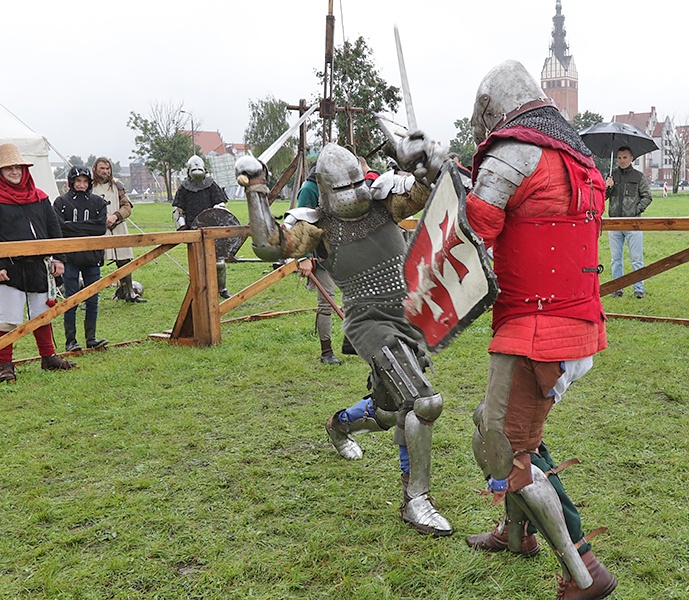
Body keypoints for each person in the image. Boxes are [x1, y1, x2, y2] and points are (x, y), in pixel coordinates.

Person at [417, 59, 616, 599]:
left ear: (492, 110)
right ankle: (516, 533)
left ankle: (584, 571)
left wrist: (434, 172)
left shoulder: (513, 153)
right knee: (506, 424)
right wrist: (446, 170)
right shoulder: (578, 157)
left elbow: (471, 231)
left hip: (534, 330)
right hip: (576, 326)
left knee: (501, 444)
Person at [237, 142, 452, 537]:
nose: (352, 195)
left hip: (405, 315)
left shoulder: (384, 201)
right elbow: (270, 246)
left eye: (355, 182)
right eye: (341, 188)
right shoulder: (316, 225)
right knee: (422, 402)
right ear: (323, 189)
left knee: (390, 412)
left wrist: (424, 165)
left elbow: (427, 192)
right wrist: (256, 189)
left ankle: (340, 425)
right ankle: (415, 500)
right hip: (368, 321)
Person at [0, 143, 77, 382]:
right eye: (9, 168)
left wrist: (59, 259)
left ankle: (48, 357)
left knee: (42, 313)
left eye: (18, 167)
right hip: (9, 266)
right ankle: (4, 366)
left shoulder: (40, 197)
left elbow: (55, 230)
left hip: (39, 266)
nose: (15, 172)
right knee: (6, 318)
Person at [53, 166, 109, 352]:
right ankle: (71, 341)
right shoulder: (60, 202)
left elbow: (100, 228)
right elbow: (59, 228)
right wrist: (86, 227)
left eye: (85, 181)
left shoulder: (97, 202)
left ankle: (91, 338)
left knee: (92, 299)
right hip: (70, 258)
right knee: (72, 298)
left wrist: (74, 227)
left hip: (92, 257)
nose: (82, 185)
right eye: (78, 181)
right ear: (71, 182)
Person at [295, 163, 342, 364]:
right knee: (327, 302)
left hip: (339, 251)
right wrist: (303, 257)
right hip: (319, 254)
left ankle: (353, 342)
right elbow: (302, 223)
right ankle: (327, 352)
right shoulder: (309, 189)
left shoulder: (335, 186)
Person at [173, 155, 231, 298]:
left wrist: (219, 209)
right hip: (193, 228)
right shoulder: (184, 188)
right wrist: (182, 226)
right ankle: (201, 289)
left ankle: (221, 289)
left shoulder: (211, 185)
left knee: (219, 263)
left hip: (212, 228)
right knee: (198, 263)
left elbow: (220, 204)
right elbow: (178, 210)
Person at [92, 157, 145, 302]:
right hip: (96, 229)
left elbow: (127, 207)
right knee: (92, 263)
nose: (105, 171)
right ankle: (90, 298)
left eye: (107, 168)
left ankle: (128, 293)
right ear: (95, 168)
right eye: (102, 168)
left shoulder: (117, 186)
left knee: (124, 260)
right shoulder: (89, 187)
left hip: (118, 226)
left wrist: (116, 217)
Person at [605, 146, 652, 299]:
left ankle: (638, 288)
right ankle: (617, 288)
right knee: (615, 259)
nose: (621, 160)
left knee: (636, 258)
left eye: (625, 157)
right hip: (615, 223)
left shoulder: (639, 177)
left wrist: (636, 210)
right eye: (619, 157)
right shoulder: (611, 175)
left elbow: (647, 197)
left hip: (633, 223)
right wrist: (607, 188)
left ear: (632, 158)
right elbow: (603, 197)